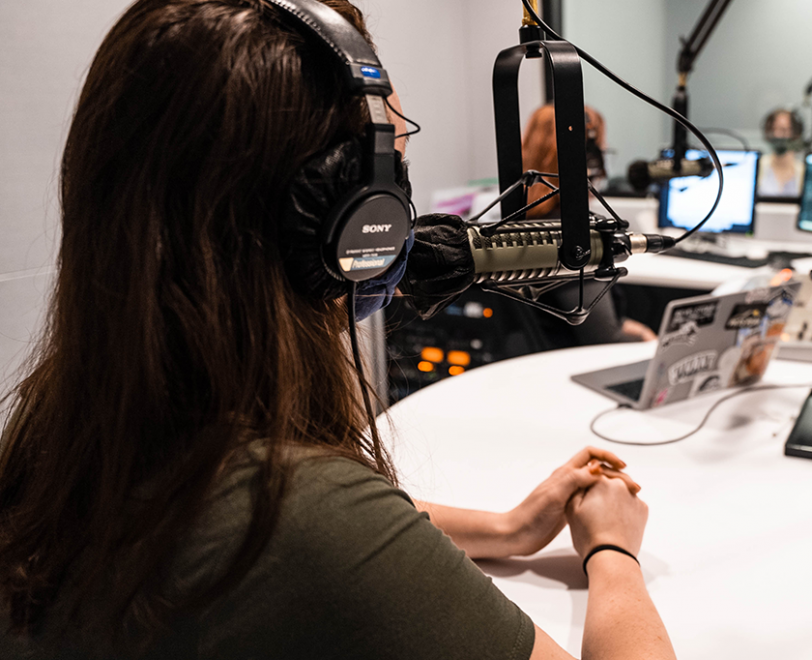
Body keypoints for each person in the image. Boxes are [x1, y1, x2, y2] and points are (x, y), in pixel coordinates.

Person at [0, 2, 676, 659]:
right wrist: (612, 552)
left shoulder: (49, 447)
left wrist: (506, 528)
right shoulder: (305, 521)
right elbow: (318, 532)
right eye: (391, 176)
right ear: (352, 223)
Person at [521, 104, 657, 346]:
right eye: (600, 153)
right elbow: (603, 337)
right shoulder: (571, 235)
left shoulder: (521, 218)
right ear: (588, 160)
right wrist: (651, 340)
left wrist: (639, 329)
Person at [757, 108, 806, 197]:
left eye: (784, 130)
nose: (778, 134)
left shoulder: (804, 172)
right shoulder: (758, 166)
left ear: (796, 134)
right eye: (774, 129)